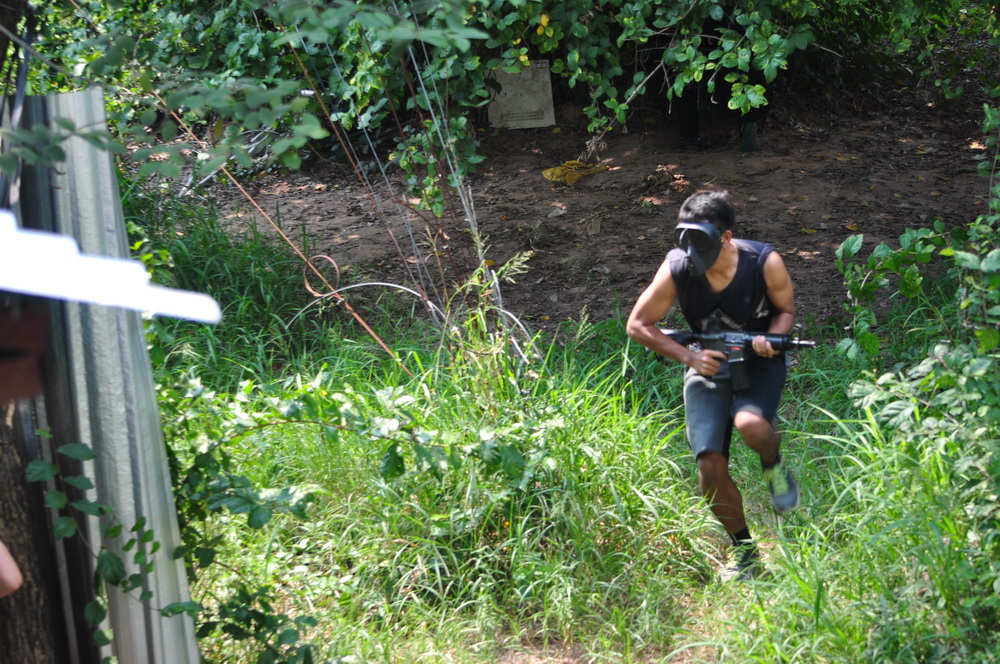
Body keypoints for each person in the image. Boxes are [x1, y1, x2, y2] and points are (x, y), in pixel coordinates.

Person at [626, 189, 799, 581]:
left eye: (701, 241)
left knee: (752, 426)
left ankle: (773, 464)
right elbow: (637, 324)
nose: (691, 251)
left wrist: (772, 339)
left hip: (758, 361)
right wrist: (689, 358)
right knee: (709, 465)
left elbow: (786, 310)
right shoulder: (676, 267)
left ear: (726, 236)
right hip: (706, 363)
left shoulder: (764, 262)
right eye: (684, 240)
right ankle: (746, 553)